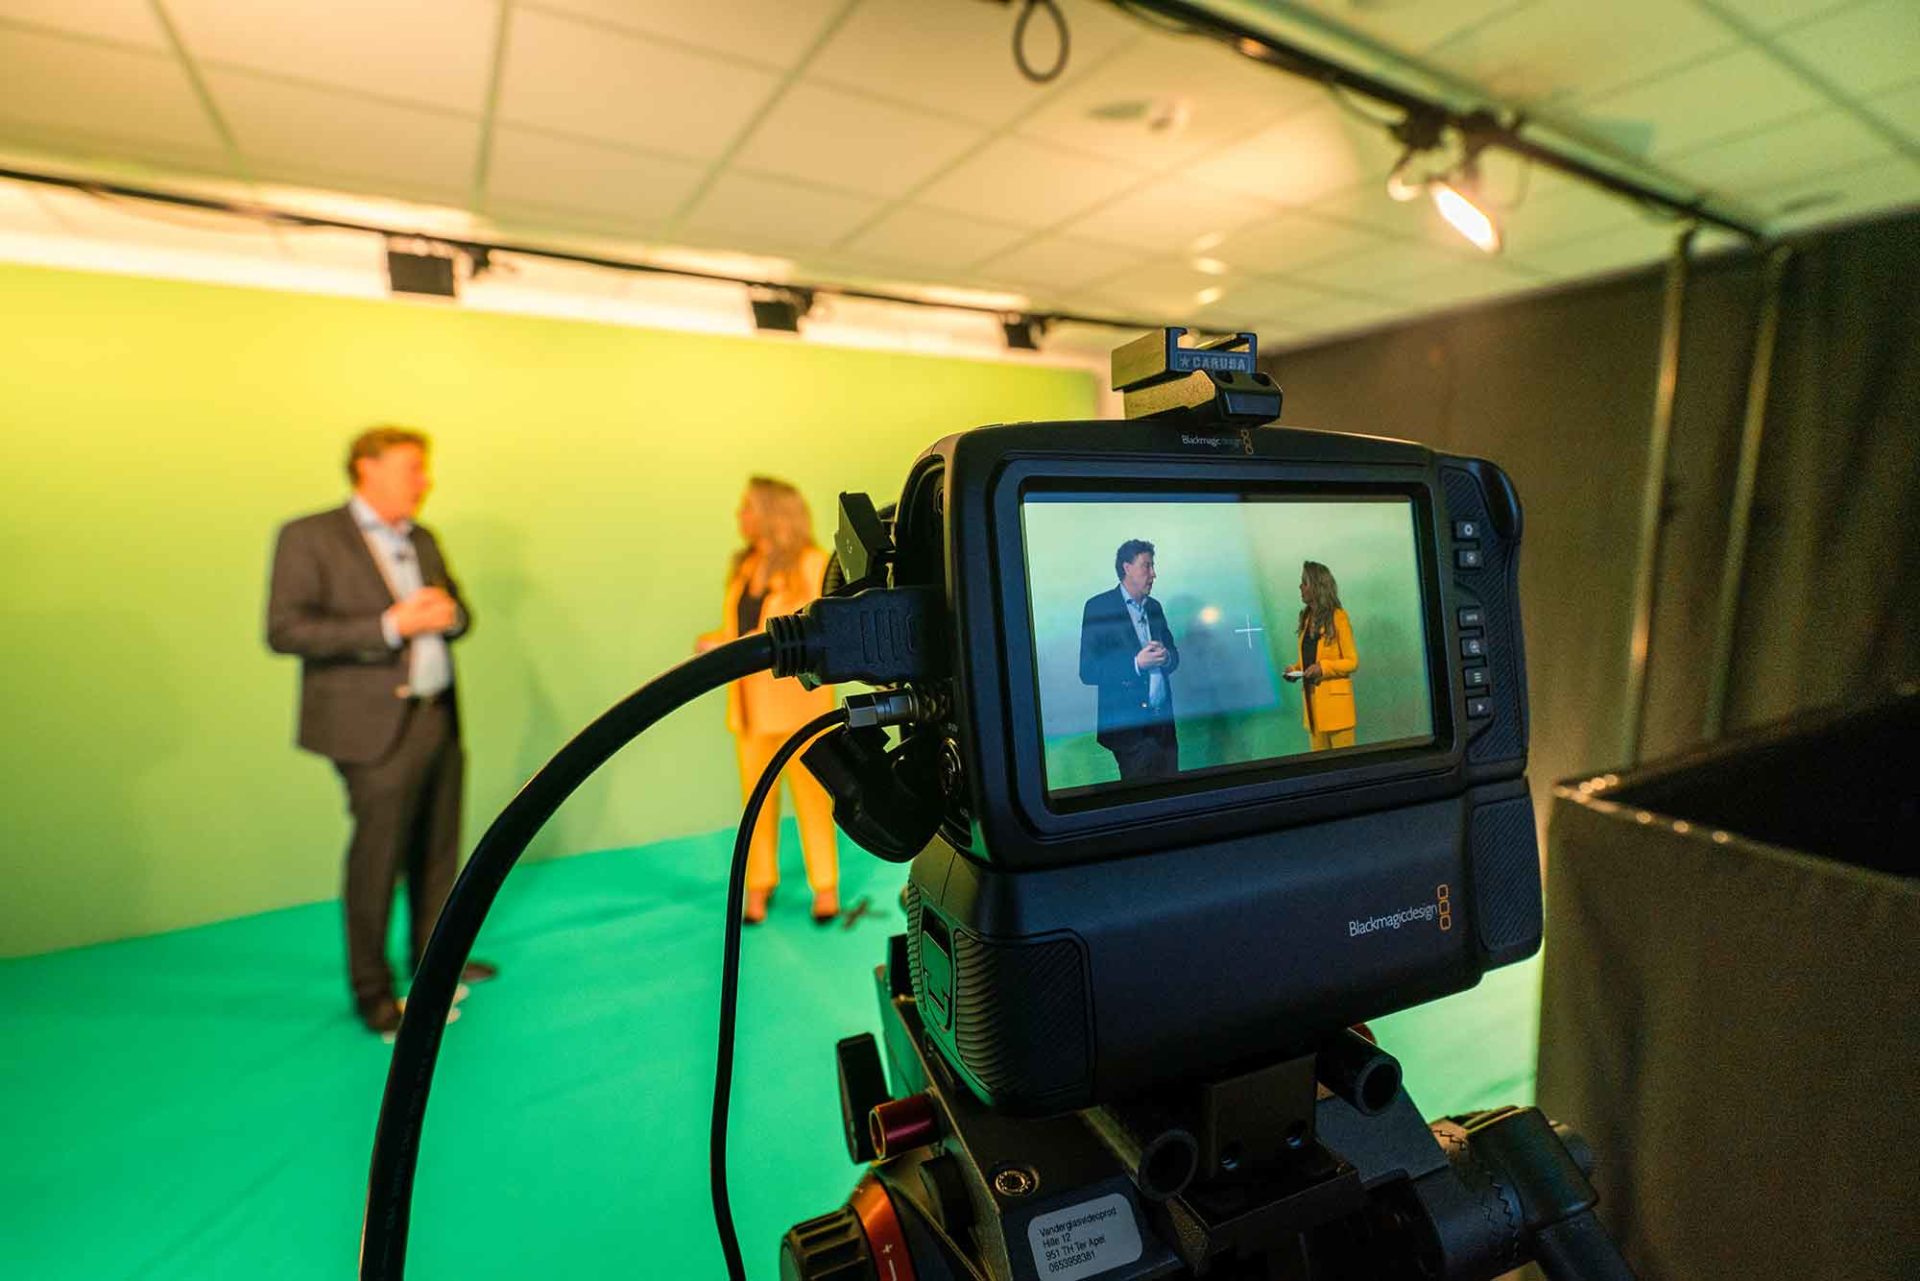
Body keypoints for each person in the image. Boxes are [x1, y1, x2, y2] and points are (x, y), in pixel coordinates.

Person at [266, 426, 495, 1037]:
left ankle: (433, 961)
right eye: (413, 467)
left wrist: (450, 615)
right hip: (368, 727)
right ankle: (372, 990)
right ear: (367, 469)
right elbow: (284, 630)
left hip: (436, 714)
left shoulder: (422, 537)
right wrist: (390, 625)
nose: (425, 480)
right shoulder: (309, 536)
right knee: (379, 856)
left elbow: (462, 615)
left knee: (439, 848)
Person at [697, 477, 840, 925]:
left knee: (814, 799)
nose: (740, 516)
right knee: (756, 805)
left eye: (748, 507)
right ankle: (759, 884)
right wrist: (717, 643)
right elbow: (743, 631)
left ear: (772, 513)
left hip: (800, 709)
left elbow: (820, 632)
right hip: (749, 710)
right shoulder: (745, 566)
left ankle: (825, 886)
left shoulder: (813, 565)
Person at [1079, 539, 1181, 780]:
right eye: (1147, 566)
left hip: (1164, 728)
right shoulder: (1098, 607)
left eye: (1153, 566)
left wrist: (1166, 657)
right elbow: (1088, 670)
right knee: (1143, 799)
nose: (1153, 574)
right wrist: (1136, 664)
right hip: (1130, 733)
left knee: (1172, 795)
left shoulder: (1154, 607)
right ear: (1127, 568)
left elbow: (1174, 657)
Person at [1283, 560, 1360, 751]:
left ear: (1317, 586)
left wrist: (1323, 668)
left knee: (1345, 765)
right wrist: (1295, 670)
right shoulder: (1306, 618)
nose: (1300, 587)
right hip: (1313, 711)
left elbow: (1352, 662)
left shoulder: (1338, 617)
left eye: (1305, 582)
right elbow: (1308, 660)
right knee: (1319, 764)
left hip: (1337, 712)